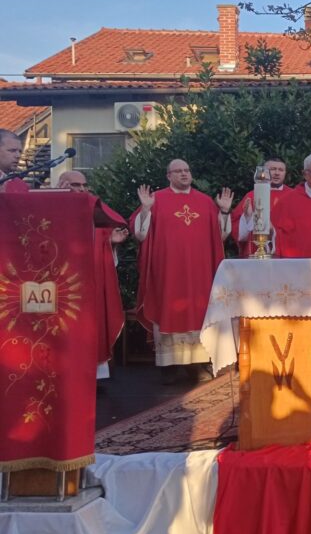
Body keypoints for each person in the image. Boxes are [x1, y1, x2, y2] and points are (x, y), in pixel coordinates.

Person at [129, 159, 233, 382]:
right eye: (178, 171)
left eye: (187, 170)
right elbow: (140, 234)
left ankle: (198, 363)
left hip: (200, 270)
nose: (184, 174)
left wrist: (224, 212)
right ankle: (169, 367)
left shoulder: (205, 202)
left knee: (200, 311)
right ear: (168, 176)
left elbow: (220, 237)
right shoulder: (156, 199)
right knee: (167, 309)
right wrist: (145, 209)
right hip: (168, 269)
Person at [58, 170, 128, 380]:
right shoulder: (50, 208)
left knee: (91, 326)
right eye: (75, 185)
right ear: (61, 185)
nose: (81, 189)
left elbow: (108, 248)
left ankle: (94, 376)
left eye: (84, 185)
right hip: (61, 285)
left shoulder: (96, 213)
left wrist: (111, 243)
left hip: (90, 284)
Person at [232, 158, 289, 257]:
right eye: (272, 169)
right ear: (264, 172)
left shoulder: (292, 196)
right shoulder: (252, 195)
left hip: (285, 253)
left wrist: (274, 231)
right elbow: (237, 228)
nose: (276, 173)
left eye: (281, 170)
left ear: (285, 173)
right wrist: (248, 218)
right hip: (255, 253)